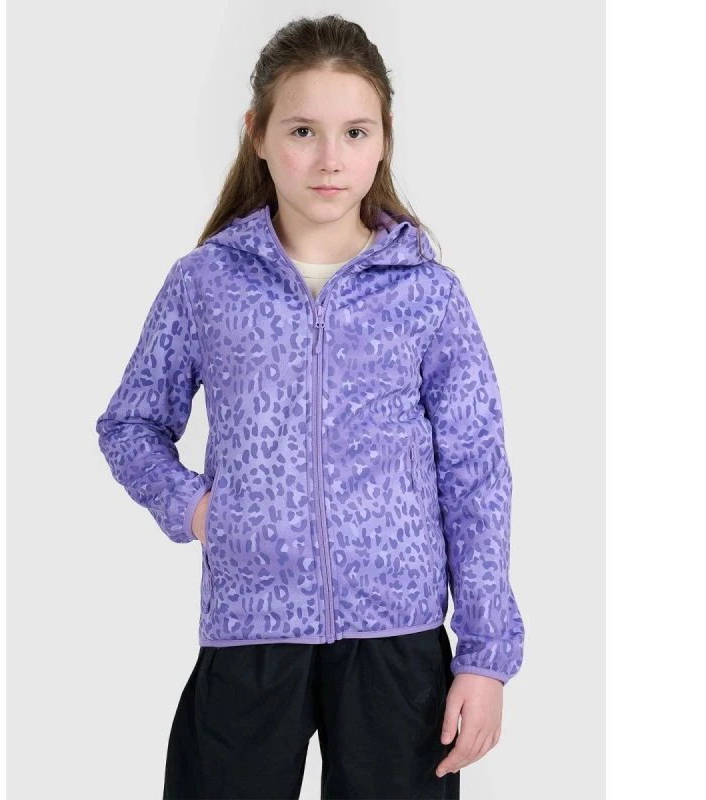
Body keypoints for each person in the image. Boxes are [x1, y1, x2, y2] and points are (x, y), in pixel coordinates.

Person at [95, 13, 525, 799]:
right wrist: (198, 511)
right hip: (250, 628)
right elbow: (130, 424)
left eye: (356, 132)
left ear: (384, 140)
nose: (331, 159)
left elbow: (475, 475)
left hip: (398, 640)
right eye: (303, 131)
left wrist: (486, 656)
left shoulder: (427, 294)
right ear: (257, 134)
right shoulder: (206, 283)